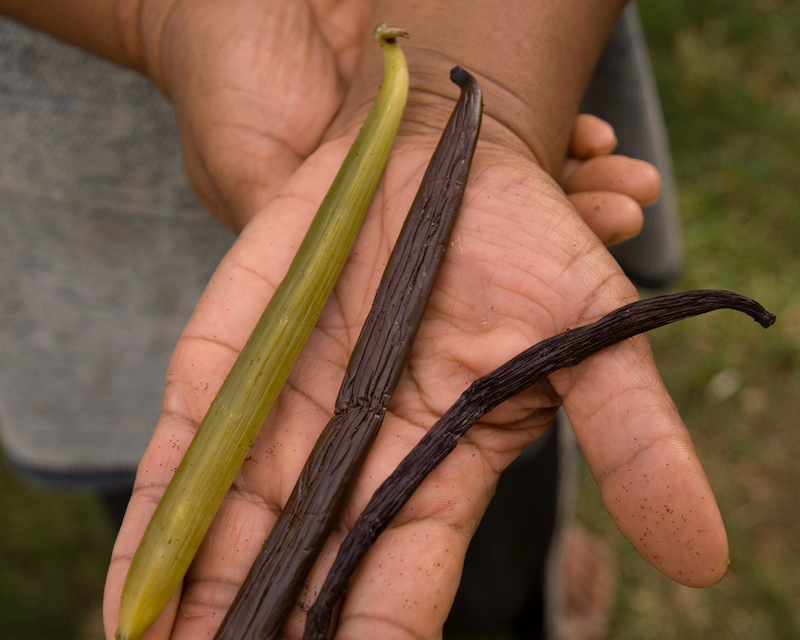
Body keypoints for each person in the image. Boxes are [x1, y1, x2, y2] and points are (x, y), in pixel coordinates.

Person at [0, 2, 725, 640]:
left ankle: (524, 577)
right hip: (74, 255)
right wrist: (160, 16)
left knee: (488, 510)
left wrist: (495, 91)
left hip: (504, 30)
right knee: (144, 474)